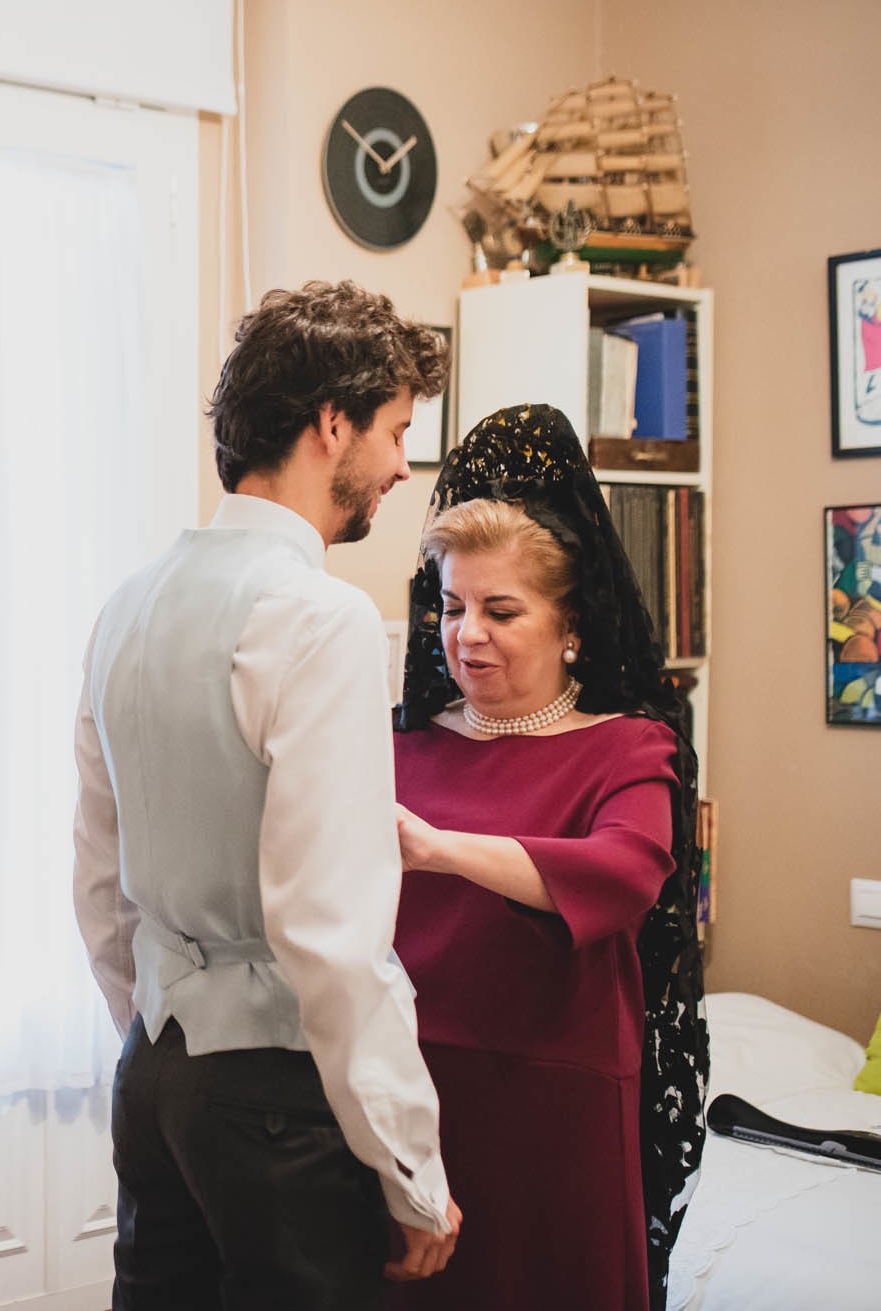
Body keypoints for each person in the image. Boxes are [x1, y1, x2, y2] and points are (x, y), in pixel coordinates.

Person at [72, 280, 462, 1311]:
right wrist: (410, 1168)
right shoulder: (319, 619)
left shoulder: (125, 608)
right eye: (392, 430)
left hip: (152, 1074)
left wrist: (160, 1029)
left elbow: (100, 880)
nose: (399, 465)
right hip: (274, 1102)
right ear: (328, 424)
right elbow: (329, 931)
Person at [388, 403, 708, 1311]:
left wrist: (441, 849)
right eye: (451, 608)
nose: (467, 635)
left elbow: (624, 873)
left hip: (556, 1118)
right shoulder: (402, 746)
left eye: (500, 610)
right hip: (414, 1105)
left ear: (570, 624)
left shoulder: (630, 746)